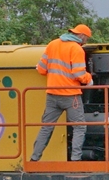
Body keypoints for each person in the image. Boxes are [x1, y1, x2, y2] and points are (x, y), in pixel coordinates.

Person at [29, 24, 94, 162]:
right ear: (81, 36)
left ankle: (34, 158)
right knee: (79, 127)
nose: (85, 42)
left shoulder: (52, 44)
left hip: (52, 95)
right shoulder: (76, 49)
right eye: (86, 39)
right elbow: (79, 74)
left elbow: (41, 69)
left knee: (46, 127)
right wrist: (89, 79)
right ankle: (75, 160)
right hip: (71, 96)